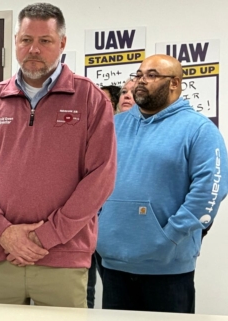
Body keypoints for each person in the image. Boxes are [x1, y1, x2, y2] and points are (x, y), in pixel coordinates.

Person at [0, 3, 117, 307]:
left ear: (62, 43)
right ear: (15, 40)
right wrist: (3, 233)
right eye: (26, 40)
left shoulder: (90, 99)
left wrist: (46, 236)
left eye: (45, 41)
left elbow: (101, 177)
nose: (34, 49)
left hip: (62, 257)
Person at [97, 54, 227, 314]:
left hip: (167, 268)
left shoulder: (199, 130)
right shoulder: (113, 126)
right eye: (139, 74)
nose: (141, 81)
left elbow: (209, 191)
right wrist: (100, 226)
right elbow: (92, 179)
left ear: (174, 84)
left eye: (152, 75)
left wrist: (170, 236)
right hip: (113, 263)